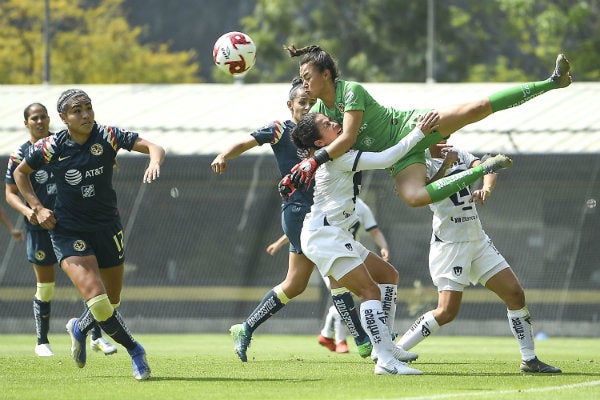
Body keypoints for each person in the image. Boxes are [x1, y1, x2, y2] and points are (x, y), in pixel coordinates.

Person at [284, 44, 570, 206]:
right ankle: (484, 168)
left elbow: (346, 138)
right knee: (414, 198)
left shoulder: (350, 91)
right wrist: (298, 168)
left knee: (478, 107)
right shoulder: (319, 109)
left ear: (326, 73)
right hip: (398, 157)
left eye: (308, 75)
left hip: (412, 127)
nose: (304, 83)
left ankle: (552, 82)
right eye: (302, 77)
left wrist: (314, 161)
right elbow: (308, 138)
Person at [211, 78, 374, 362]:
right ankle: (364, 339)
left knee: (295, 284)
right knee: (334, 273)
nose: (308, 107)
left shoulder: (322, 132)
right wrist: (224, 153)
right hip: (300, 213)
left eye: (312, 103)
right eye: (303, 103)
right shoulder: (280, 130)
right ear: (290, 105)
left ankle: (245, 328)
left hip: (323, 214)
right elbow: (246, 141)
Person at [13, 89, 164, 380]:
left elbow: (155, 147)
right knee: (98, 301)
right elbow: (21, 173)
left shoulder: (107, 135)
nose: (85, 115)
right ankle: (136, 350)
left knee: (112, 302)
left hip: (107, 226)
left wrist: (154, 161)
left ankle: (80, 327)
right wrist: (38, 207)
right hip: (68, 230)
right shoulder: (50, 146)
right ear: (63, 118)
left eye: (88, 108)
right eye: (76, 111)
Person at [288, 110, 442, 375]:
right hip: (325, 235)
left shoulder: (331, 153)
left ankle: (387, 346)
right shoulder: (338, 157)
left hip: (335, 234)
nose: (335, 123)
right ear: (319, 144)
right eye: (326, 124)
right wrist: (419, 133)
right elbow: (386, 158)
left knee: (388, 275)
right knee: (370, 292)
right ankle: (384, 359)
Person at [395, 141, 561, 374]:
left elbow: (487, 167)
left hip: (477, 240)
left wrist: (486, 188)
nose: (445, 139)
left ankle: (530, 360)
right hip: (451, 245)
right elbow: (423, 194)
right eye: (439, 135)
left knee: (515, 294)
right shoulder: (419, 162)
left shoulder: (458, 152)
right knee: (446, 312)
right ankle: (396, 351)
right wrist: (445, 166)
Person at [5, 103, 117, 357]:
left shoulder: (63, 144)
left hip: (74, 225)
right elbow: (10, 193)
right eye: (34, 118)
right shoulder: (20, 153)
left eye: (43, 116)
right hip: (40, 228)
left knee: (90, 282)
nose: (40, 121)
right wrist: (30, 211)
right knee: (46, 287)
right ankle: (42, 341)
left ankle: (96, 337)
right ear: (27, 123)